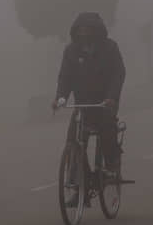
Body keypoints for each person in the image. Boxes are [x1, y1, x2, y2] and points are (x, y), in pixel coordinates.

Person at [52, 12, 126, 173]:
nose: (83, 33)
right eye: (80, 30)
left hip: (104, 104)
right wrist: (60, 98)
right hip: (82, 105)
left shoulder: (110, 48)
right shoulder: (71, 51)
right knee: (72, 140)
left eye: (87, 29)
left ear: (96, 30)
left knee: (107, 129)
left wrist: (112, 98)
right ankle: (77, 179)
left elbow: (118, 74)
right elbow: (65, 77)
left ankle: (111, 162)